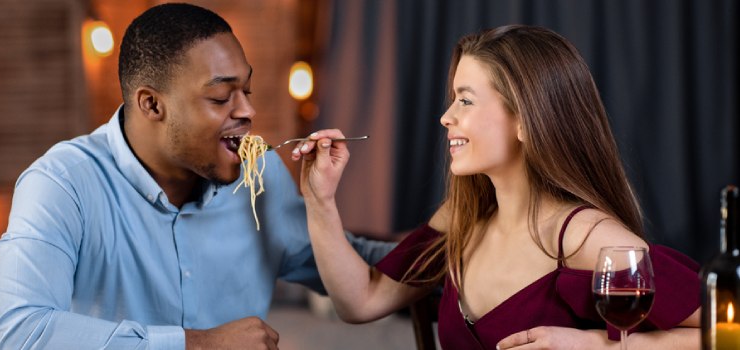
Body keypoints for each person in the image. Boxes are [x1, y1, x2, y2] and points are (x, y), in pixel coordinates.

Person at [0, 3, 392, 349]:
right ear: (152, 105)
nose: (246, 110)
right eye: (220, 97)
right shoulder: (62, 184)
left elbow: (345, 269)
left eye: (246, 91)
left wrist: (450, 243)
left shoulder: (260, 172)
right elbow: (16, 332)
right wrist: (198, 343)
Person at [294, 25, 700, 349]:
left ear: (526, 120)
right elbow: (360, 301)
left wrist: (596, 344)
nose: (445, 117)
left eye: (465, 101)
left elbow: (727, 330)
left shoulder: (583, 236)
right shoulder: (460, 219)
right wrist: (320, 199)